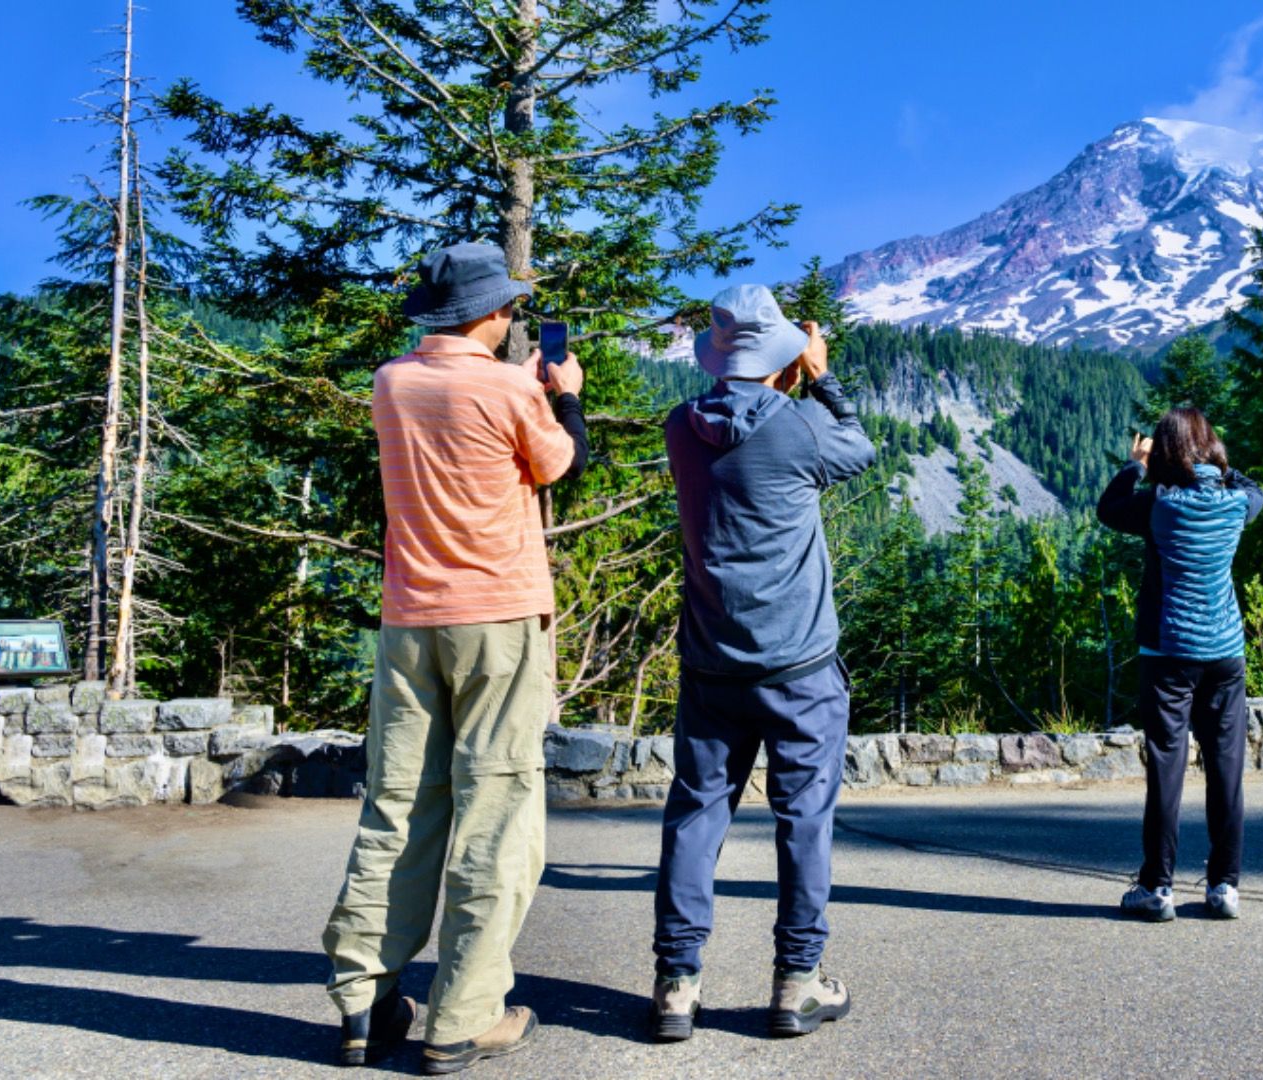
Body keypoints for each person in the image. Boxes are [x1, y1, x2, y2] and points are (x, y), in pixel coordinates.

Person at [321, 242, 589, 1074]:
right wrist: (565, 398)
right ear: (493, 314)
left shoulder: (391, 382)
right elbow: (557, 466)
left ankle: (364, 998)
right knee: (497, 806)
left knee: (399, 799)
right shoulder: (510, 385)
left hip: (410, 618)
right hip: (498, 616)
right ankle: (464, 1016)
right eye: (506, 306)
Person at [650, 283, 875, 1042]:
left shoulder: (681, 426)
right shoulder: (800, 428)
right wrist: (821, 374)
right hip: (800, 668)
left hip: (712, 663)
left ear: (717, 356)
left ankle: (676, 986)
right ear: (779, 355)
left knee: (695, 815)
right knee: (803, 821)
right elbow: (863, 446)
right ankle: (796, 984)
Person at [1095, 406, 1263, 922]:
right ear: (1209, 448)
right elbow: (1255, 489)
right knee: (1226, 766)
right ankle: (1224, 886)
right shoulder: (1237, 502)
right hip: (1225, 653)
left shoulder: (1158, 504)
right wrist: (1219, 461)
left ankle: (1157, 886)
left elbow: (1108, 508)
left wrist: (1138, 464)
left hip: (1169, 653)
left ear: (1165, 453)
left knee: (1167, 768)